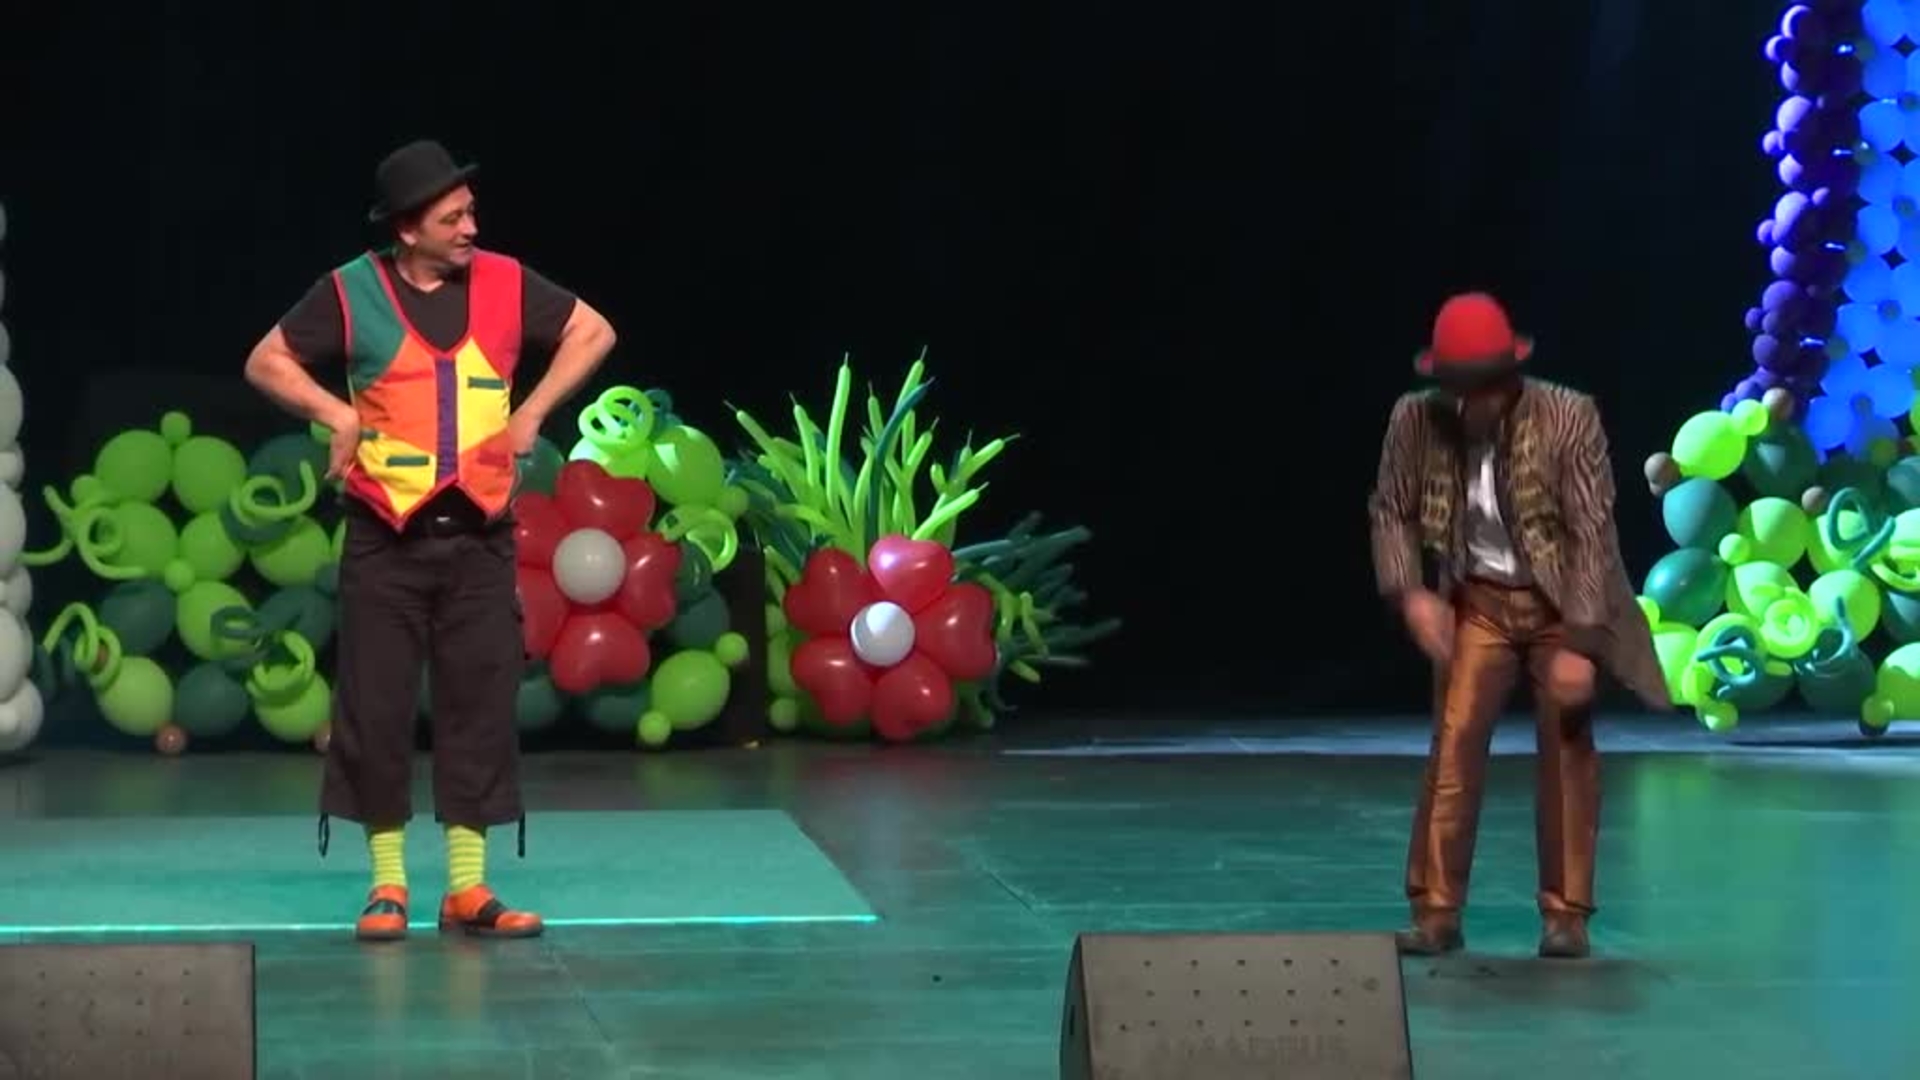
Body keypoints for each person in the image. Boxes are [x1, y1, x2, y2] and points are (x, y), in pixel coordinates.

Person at [243, 139, 617, 941]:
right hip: (386, 538)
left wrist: (531, 412)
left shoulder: (507, 283)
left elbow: (593, 332)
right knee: (376, 709)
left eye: (471, 212)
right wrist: (336, 412)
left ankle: (468, 889)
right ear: (407, 229)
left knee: (478, 704)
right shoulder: (351, 291)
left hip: (479, 537)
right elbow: (267, 361)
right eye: (453, 218)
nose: (470, 227)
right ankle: (387, 887)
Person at [1367, 292, 1668, 960]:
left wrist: (1581, 643)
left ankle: (1566, 915)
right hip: (1480, 599)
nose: (1469, 402)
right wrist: (1411, 594)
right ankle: (1436, 912)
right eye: (1457, 387)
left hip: (1560, 603)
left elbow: (1591, 534)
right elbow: (1391, 509)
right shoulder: (1415, 419)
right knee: (1454, 743)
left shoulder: (1567, 415)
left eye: (1482, 386)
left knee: (1566, 744)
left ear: (1509, 377)